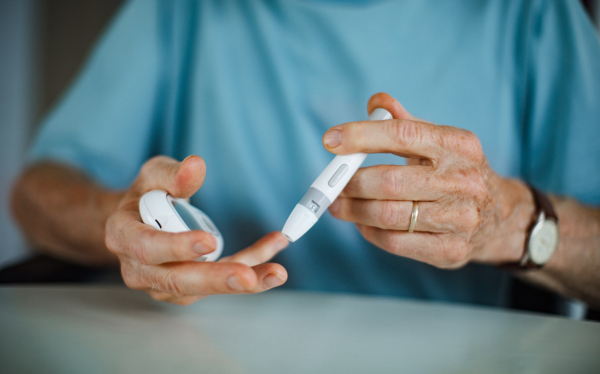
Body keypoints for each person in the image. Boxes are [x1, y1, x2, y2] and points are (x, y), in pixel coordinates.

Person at [11, 0, 600, 307]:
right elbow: (37, 193)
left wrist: (512, 222)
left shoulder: (532, 14)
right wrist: (124, 222)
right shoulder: (182, 10)